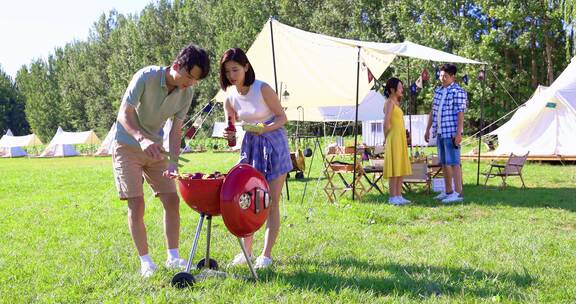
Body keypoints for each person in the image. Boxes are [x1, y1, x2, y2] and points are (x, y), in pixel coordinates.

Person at [112, 43, 210, 278]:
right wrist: (140, 138)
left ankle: (173, 257)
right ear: (176, 65)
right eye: (189, 77)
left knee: (171, 200)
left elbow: (176, 130)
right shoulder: (146, 77)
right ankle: (146, 262)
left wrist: (174, 162)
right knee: (137, 205)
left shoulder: (186, 92)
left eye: (196, 81)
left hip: (156, 149)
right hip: (127, 144)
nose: (191, 84)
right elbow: (124, 113)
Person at [220, 47, 292, 269]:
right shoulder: (229, 97)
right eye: (227, 71)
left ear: (246, 67)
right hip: (250, 146)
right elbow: (231, 127)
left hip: (273, 142)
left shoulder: (262, 88)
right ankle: (246, 252)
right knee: (248, 201)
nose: (232, 75)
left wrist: (264, 128)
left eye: (235, 69)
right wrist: (229, 134)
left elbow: (283, 118)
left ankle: (266, 255)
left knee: (270, 202)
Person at [424, 63, 467, 203]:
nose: (442, 78)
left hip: (451, 133)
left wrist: (459, 133)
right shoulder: (438, 91)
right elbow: (433, 111)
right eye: (441, 75)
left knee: (454, 163)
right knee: (444, 163)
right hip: (440, 133)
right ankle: (448, 191)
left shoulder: (458, 91)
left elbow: (461, 113)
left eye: (445, 76)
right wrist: (428, 129)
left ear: (453, 76)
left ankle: (458, 193)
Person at [382, 77, 412, 205]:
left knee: (400, 166)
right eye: (399, 87)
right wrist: (387, 138)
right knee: (394, 168)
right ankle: (392, 196)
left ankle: (399, 195)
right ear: (392, 90)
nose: (402, 89)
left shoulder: (397, 103)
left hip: (400, 139)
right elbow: (386, 123)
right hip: (393, 138)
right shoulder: (389, 103)